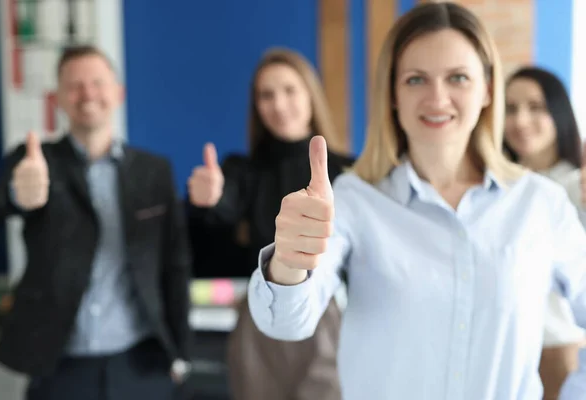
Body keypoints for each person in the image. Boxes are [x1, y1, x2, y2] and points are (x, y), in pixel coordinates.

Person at [245, 3, 586, 399]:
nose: (437, 98)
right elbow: (286, 323)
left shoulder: (540, 203)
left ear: (488, 88)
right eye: (415, 80)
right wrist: (288, 262)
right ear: (392, 93)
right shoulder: (356, 200)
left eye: (458, 77)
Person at [0, 45, 192, 400]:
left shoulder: (154, 171)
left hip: (142, 361)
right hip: (60, 365)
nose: (87, 95)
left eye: (97, 83)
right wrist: (20, 195)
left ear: (118, 93)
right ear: (57, 99)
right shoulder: (34, 161)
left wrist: (181, 353)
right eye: (75, 85)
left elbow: (175, 265)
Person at [187, 48, 353, 399]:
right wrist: (210, 198)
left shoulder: (349, 172)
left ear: (310, 94)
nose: (278, 104)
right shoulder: (244, 172)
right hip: (260, 319)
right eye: (266, 95)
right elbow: (225, 207)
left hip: (328, 315)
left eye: (289, 90)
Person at [504, 66, 586, 399]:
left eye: (536, 107)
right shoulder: (497, 190)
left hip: (557, 351)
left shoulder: (575, 187)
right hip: (504, 349)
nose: (520, 120)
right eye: (510, 109)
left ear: (559, 112)